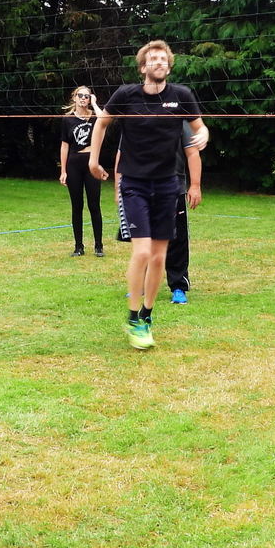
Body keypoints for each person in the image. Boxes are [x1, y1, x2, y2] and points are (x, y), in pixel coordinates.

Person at [88, 40, 206, 350]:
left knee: (158, 257)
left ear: (169, 65)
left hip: (167, 185)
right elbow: (101, 124)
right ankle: (132, 317)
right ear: (143, 67)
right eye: (153, 59)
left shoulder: (181, 96)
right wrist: (93, 160)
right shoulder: (126, 95)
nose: (159, 62)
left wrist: (204, 133)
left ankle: (146, 315)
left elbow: (199, 128)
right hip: (135, 184)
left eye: (163, 58)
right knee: (141, 252)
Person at [58, 86, 104, 257]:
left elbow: (105, 120)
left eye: (87, 96)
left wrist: (95, 103)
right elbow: (64, 145)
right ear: (74, 98)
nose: (83, 98)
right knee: (77, 206)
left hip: (91, 163)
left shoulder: (94, 117)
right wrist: (63, 170)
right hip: (74, 164)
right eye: (81, 95)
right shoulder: (68, 119)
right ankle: (79, 246)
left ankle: (98, 245)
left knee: (94, 205)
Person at [165, 134, 202, 304]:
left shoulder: (180, 120)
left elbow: (192, 152)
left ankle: (178, 286)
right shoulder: (138, 119)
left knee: (177, 240)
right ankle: (141, 283)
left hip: (174, 187)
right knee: (145, 238)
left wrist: (195, 185)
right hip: (145, 187)